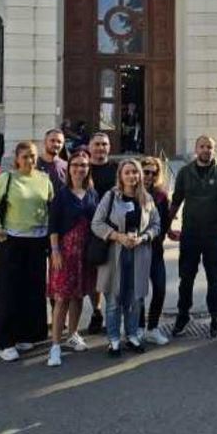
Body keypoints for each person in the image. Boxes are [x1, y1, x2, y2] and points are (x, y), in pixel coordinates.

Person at [0, 141, 55, 362]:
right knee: (8, 291)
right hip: (12, 240)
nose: (30, 160)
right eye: (25, 156)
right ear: (17, 158)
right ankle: (5, 341)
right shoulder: (7, 179)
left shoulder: (44, 179)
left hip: (37, 242)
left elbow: (49, 207)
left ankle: (26, 334)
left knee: (32, 290)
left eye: (32, 156)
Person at [91, 159, 161, 357]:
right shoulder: (111, 196)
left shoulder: (146, 198)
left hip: (138, 255)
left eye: (135, 172)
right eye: (128, 172)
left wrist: (144, 237)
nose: (132, 176)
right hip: (115, 255)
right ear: (121, 175)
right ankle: (113, 340)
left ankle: (132, 336)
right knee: (114, 300)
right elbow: (96, 223)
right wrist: (117, 236)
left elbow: (156, 224)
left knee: (135, 299)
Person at [169, 136, 217, 338]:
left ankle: (216, 317)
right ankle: (183, 315)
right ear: (196, 149)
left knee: (216, 280)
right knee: (186, 278)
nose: (206, 150)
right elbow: (176, 201)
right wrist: (167, 228)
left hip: (215, 234)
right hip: (190, 235)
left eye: (209, 147)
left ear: (215, 150)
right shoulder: (185, 173)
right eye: (202, 146)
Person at [46, 150, 98, 367]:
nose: (79, 169)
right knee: (62, 298)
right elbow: (54, 225)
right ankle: (55, 346)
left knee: (78, 296)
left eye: (83, 165)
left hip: (85, 253)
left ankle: (73, 333)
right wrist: (55, 251)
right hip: (65, 253)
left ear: (88, 169)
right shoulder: (62, 195)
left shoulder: (92, 193)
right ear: (69, 169)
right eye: (75, 165)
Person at [86, 132, 119, 334]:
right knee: (93, 275)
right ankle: (96, 312)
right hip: (87, 229)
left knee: (110, 274)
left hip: (112, 229)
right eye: (97, 144)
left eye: (104, 144)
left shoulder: (116, 169)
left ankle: (112, 314)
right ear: (89, 146)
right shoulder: (83, 168)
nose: (101, 148)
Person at [139, 156, 172, 345]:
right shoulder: (131, 193)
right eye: (146, 172)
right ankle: (139, 328)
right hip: (136, 250)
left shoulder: (161, 195)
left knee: (159, 288)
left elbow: (165, 222)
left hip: (155, 250)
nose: (149, 176)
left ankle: (153, 327)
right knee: (139, 291)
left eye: (154, 172)